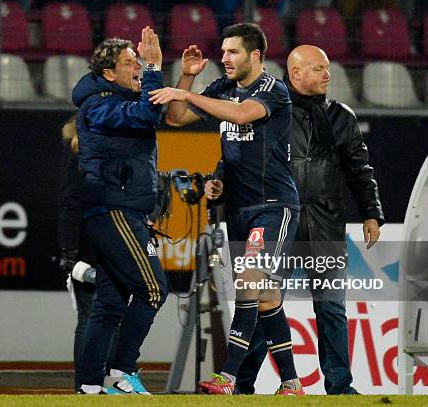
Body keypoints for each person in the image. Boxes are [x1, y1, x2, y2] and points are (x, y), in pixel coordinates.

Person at [150, 23, 303, 395]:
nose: (224, 58)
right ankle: (292, 383)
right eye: (223, 51)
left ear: (255, 55)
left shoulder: (273, 90)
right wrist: (185, 79)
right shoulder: (223, 89)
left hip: (273, 205)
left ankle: (228, 378)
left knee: (250, 282)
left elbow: (239, 116)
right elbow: (176, 118)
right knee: (265, 296)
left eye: (232, 51)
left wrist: (185, 93)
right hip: (236, 207)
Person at [234, 44, 385, 395]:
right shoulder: (270, 109)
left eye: (328, 67)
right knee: (263, 305)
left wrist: (372, 213)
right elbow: (241, 156)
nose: (327, 74)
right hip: (279, 222)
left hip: (326, 225)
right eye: (318, 68)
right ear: (296, 73)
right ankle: (241, 385)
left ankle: (340, 387)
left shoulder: (341, 116)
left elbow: (360, 170)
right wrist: (217, 181)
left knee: (331, 309)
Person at [72, 26, 169, 395]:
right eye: (132, 63)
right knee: (154, 289)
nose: (139, 68)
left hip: (120, 209)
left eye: (140, 62)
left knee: (110, 305)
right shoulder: (99, 104)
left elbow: (150, 113)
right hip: (114, 209)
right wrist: (156, 67)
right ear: (109, 74)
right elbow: (147, 116)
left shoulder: (114, 98)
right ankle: (121, 370)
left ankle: (90, 386)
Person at [57, 116, 118, 391]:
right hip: (91, 248)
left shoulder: (104, 150)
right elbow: (70, 203)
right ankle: (87, 383)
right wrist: (69, 250)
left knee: (105, 315)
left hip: (110, 245)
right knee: (91, 315)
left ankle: (99, 382)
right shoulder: (80, 152)